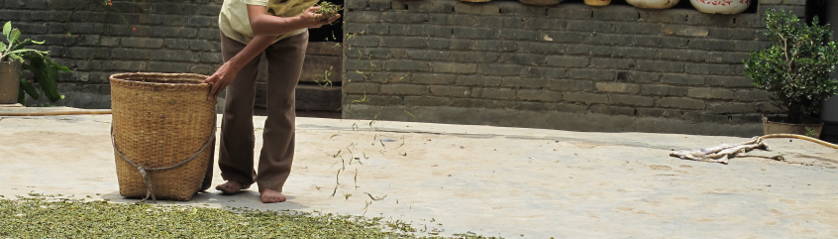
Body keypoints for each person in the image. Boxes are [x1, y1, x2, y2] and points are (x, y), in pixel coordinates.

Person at [203, 0, 340, 203]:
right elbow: (260, 24)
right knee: (238, 99)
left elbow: (279, 27)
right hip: (240, 29)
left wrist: (306, 20)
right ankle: (237, 174)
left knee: (282, 102)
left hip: (291, 33)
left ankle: (272, 181)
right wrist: (233, 65)